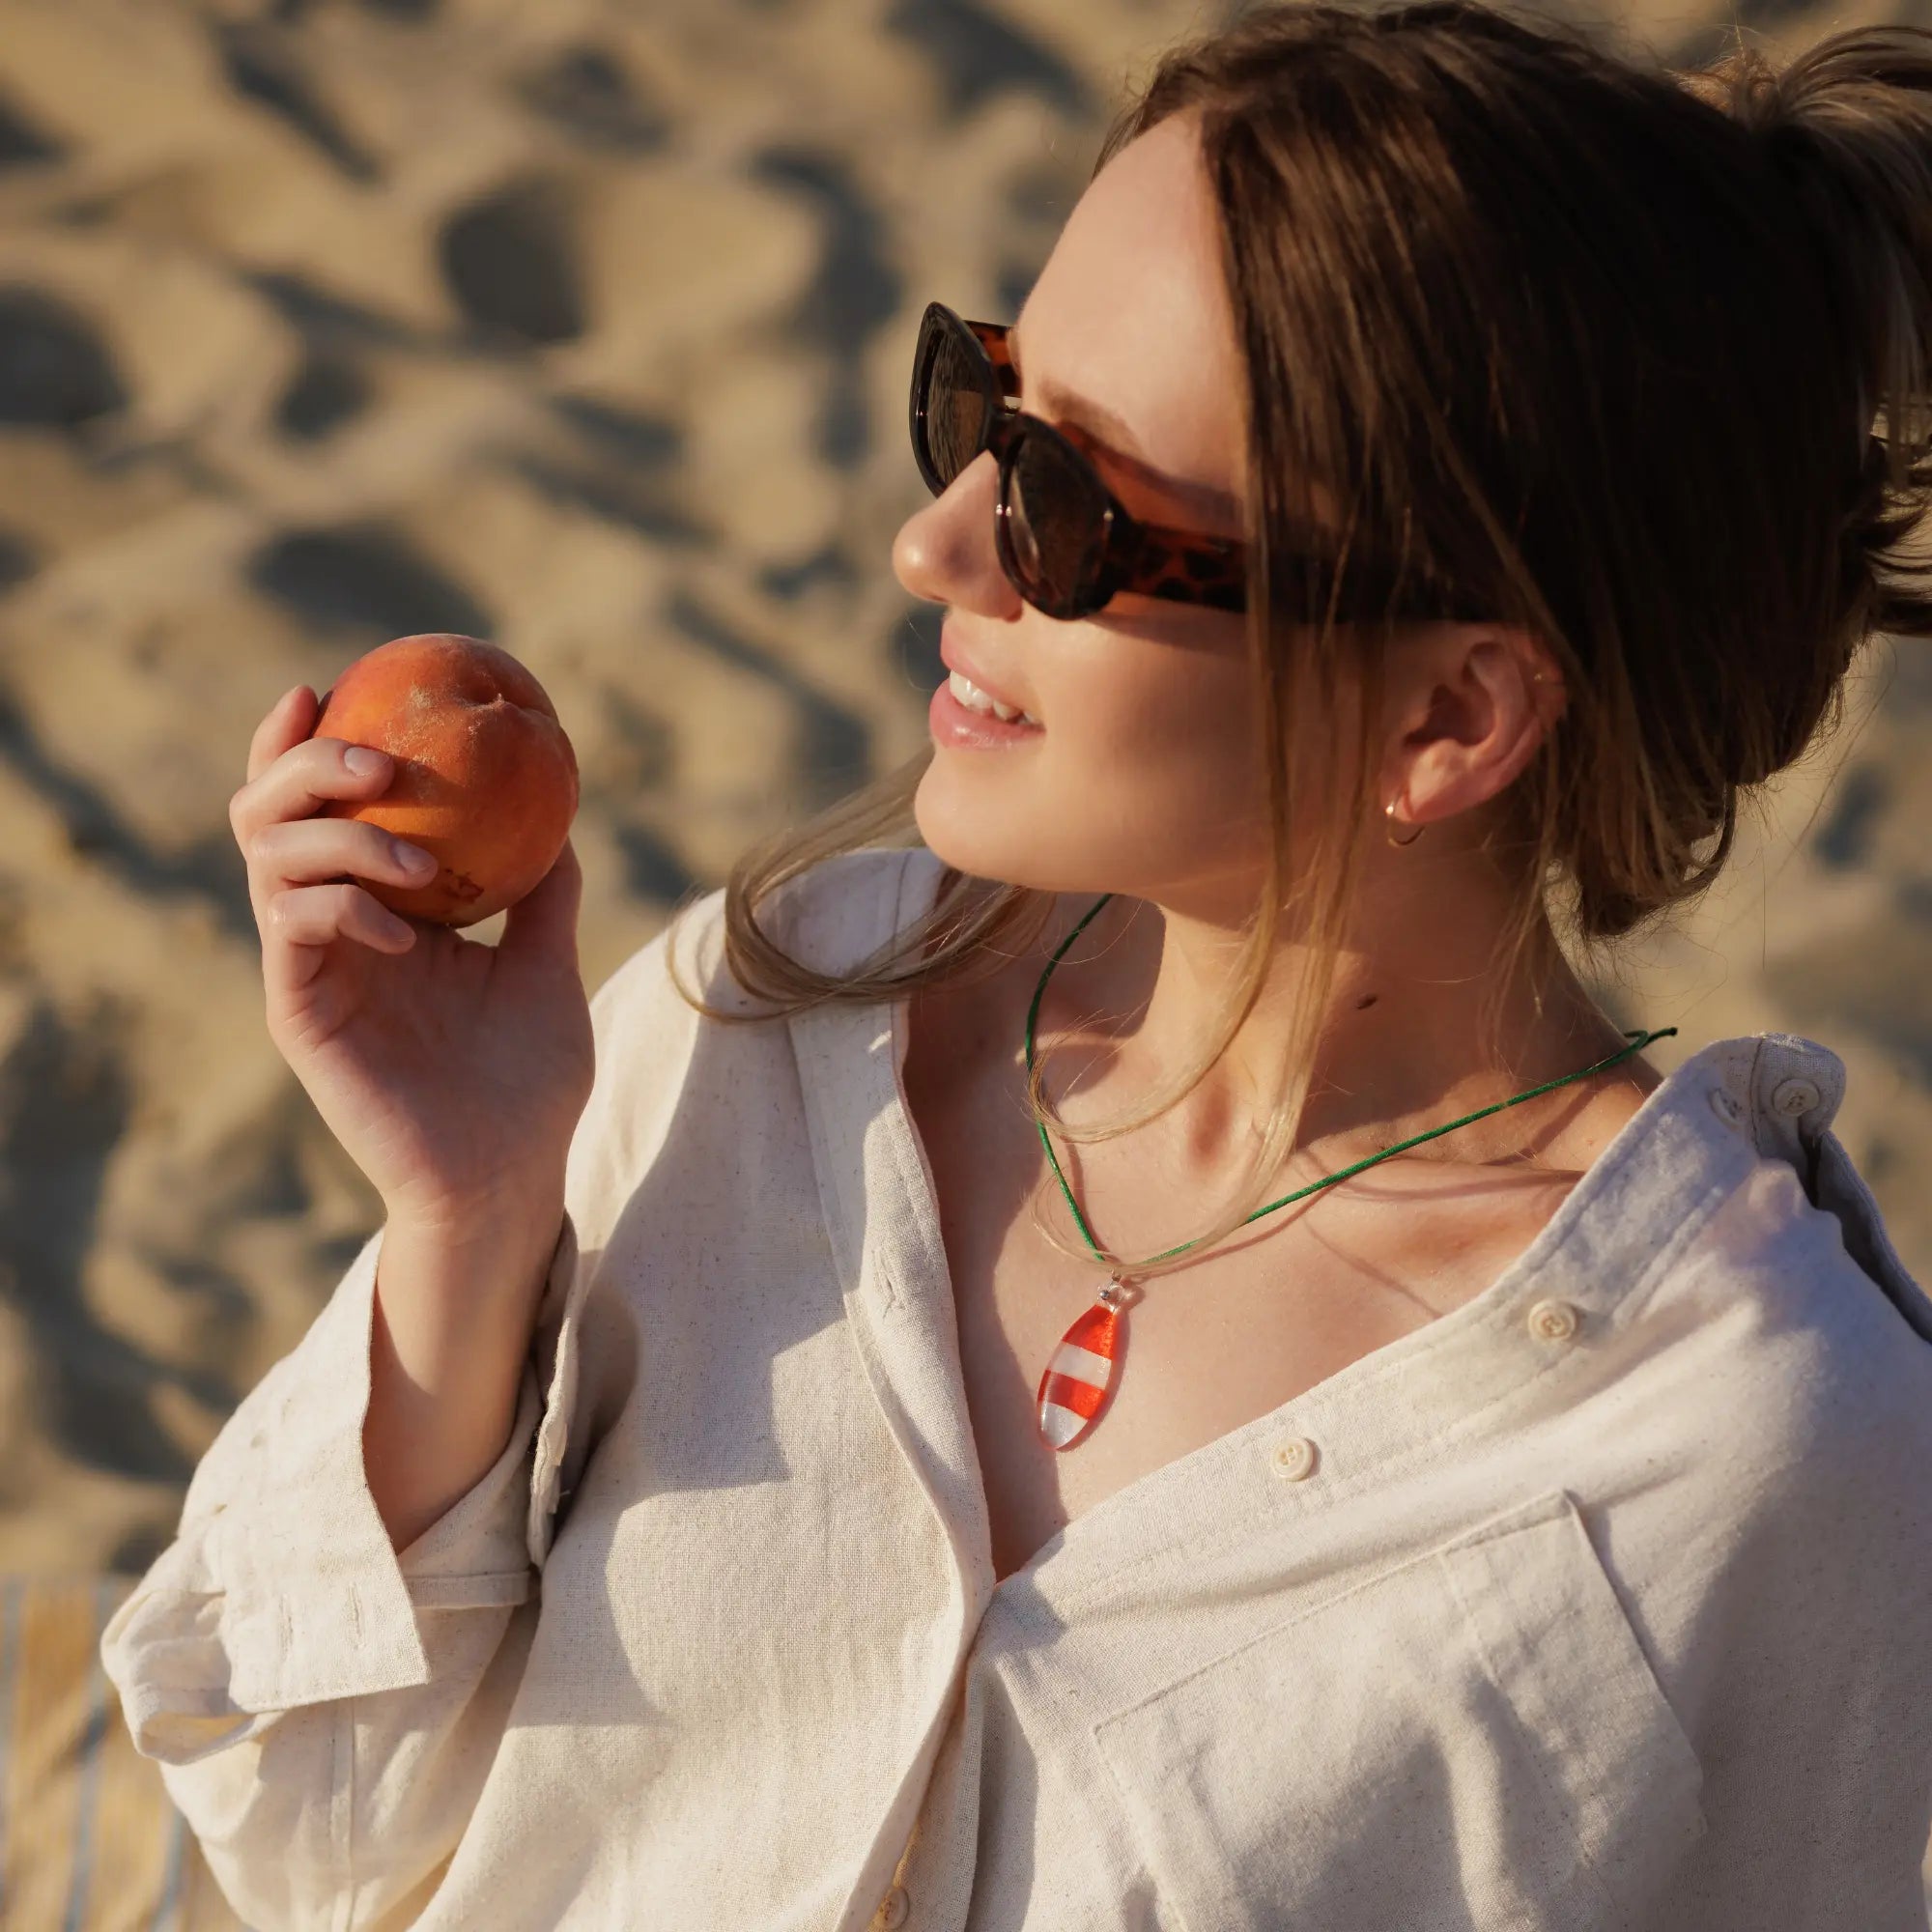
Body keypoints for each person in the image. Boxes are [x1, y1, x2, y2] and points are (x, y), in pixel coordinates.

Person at [101, 2, 1932, 1926]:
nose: (929, 543)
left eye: (1069, 508)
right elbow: (310, 1815)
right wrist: (468, 1227)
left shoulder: (1746, 1456)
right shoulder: (773, 1013)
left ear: (1447, 720)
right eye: (981, 407)